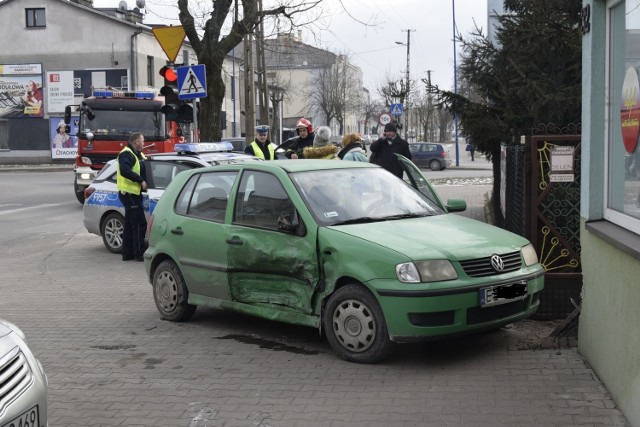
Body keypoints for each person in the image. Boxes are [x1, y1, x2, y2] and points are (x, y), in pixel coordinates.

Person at [117, 132, 148, 261]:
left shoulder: (138, 154)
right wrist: (140, 180)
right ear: (136, 142)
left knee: (130, 225)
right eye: (142, 141)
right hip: (129, 194)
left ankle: (127, 254)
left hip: (135, 194)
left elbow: (145, 165)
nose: (144, 143)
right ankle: (139, 253)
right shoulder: (126, 154)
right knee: (140, 224)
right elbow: (124, 170)